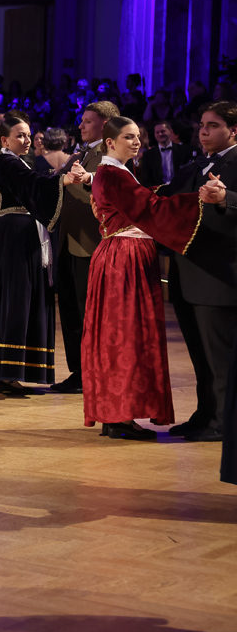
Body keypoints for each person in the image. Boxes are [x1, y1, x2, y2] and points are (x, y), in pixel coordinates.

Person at [82, 116, 223, 440]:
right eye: (129, 137)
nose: (137, 142)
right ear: (110, 142)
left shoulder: (114, 172)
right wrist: (198, 200)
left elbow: (142, 197)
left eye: (138, 137)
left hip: (121, 256)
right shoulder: (114, 174)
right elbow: (151, 208)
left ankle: (118, 415)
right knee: (126, 335)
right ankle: (119, 417)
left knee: (121, 335)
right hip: (125, 259)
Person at [0, 116, 85, 395]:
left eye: (29, 135)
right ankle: (6, 372)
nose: (27, 139)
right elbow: (31, 183)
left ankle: (9, 372)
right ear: (4, 140)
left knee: (20, 298)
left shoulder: (15, 162)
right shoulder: (5, 161)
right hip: (14, 238)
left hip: (21, 234)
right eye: (20, 135)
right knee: (15, 298)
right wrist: (63, 178)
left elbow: (30, 183)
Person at [161, 102, 237, 443]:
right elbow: (162, 199)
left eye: (213, 125)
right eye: (202, 125)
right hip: (188, 274)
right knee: (200, 354)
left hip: (219, 277)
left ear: (234, 130)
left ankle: (225, 422)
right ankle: (205, 414)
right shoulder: (193, 165)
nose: (204, 131)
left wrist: (226, 197)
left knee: (221, 357)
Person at [50, 101, 119, 394]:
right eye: (82, 120)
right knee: (70, 311)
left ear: (105, 125)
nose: (81, 125)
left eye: (88, 121)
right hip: (69, 240)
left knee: (88, 313)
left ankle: (93, 372)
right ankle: (78, 371)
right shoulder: (80, 154)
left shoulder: (112, 156)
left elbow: (109, 189)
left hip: (92, 244)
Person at [137, 120, 194, 187]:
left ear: (170, 131)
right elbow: (146, 180)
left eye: (163, 131)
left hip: (180, 188)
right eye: (157, 132)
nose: (160, 134)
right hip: (159, 190)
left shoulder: (182, 150)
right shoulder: (148, 155)